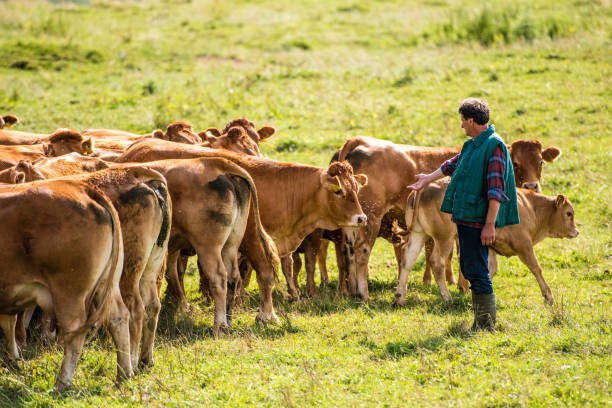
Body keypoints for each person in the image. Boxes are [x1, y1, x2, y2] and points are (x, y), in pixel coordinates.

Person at [407, 98, 519, 331]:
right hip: (466, 216)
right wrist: (427, 178)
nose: (461, 126)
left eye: (463, 121)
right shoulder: (473, 145)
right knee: (469, 267)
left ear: (471, 120)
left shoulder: (494, 146)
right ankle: (481, 322)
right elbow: (451, 165)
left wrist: (490, 225)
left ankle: (486, 324)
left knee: (477, 270)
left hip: (479, 219)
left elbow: (496, 191)